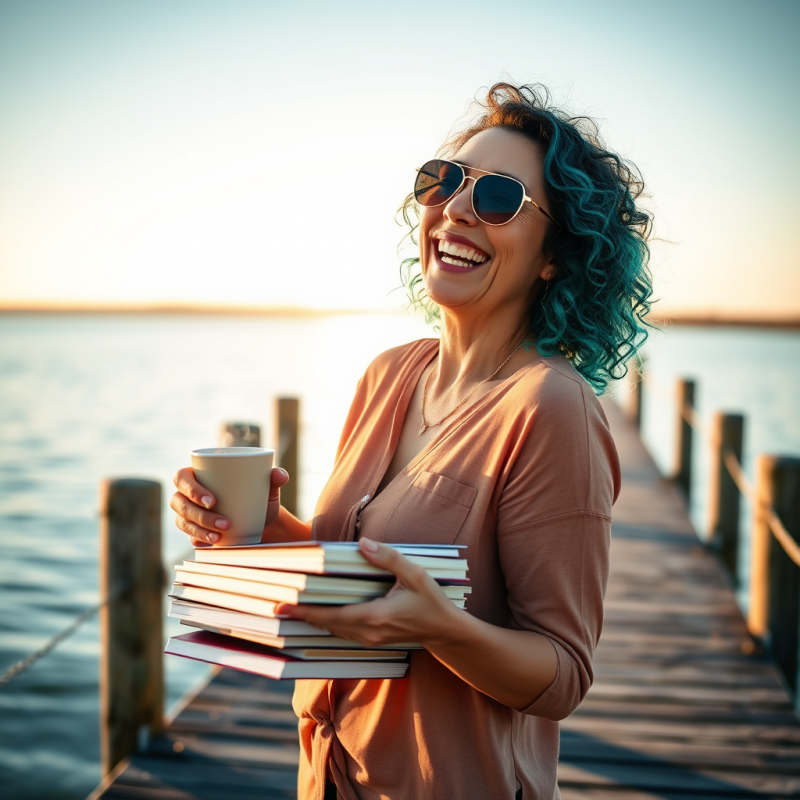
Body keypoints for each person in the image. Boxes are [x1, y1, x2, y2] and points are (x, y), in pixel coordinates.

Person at [171, 83, 653, 800]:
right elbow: (363, 574)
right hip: (329, 774)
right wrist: (270, 532)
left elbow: (562, 676)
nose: (456, 208)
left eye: (498, 198)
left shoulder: (552, 408)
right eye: (444, 180)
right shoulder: (388, 373)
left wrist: (442, 629)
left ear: (554, 255)